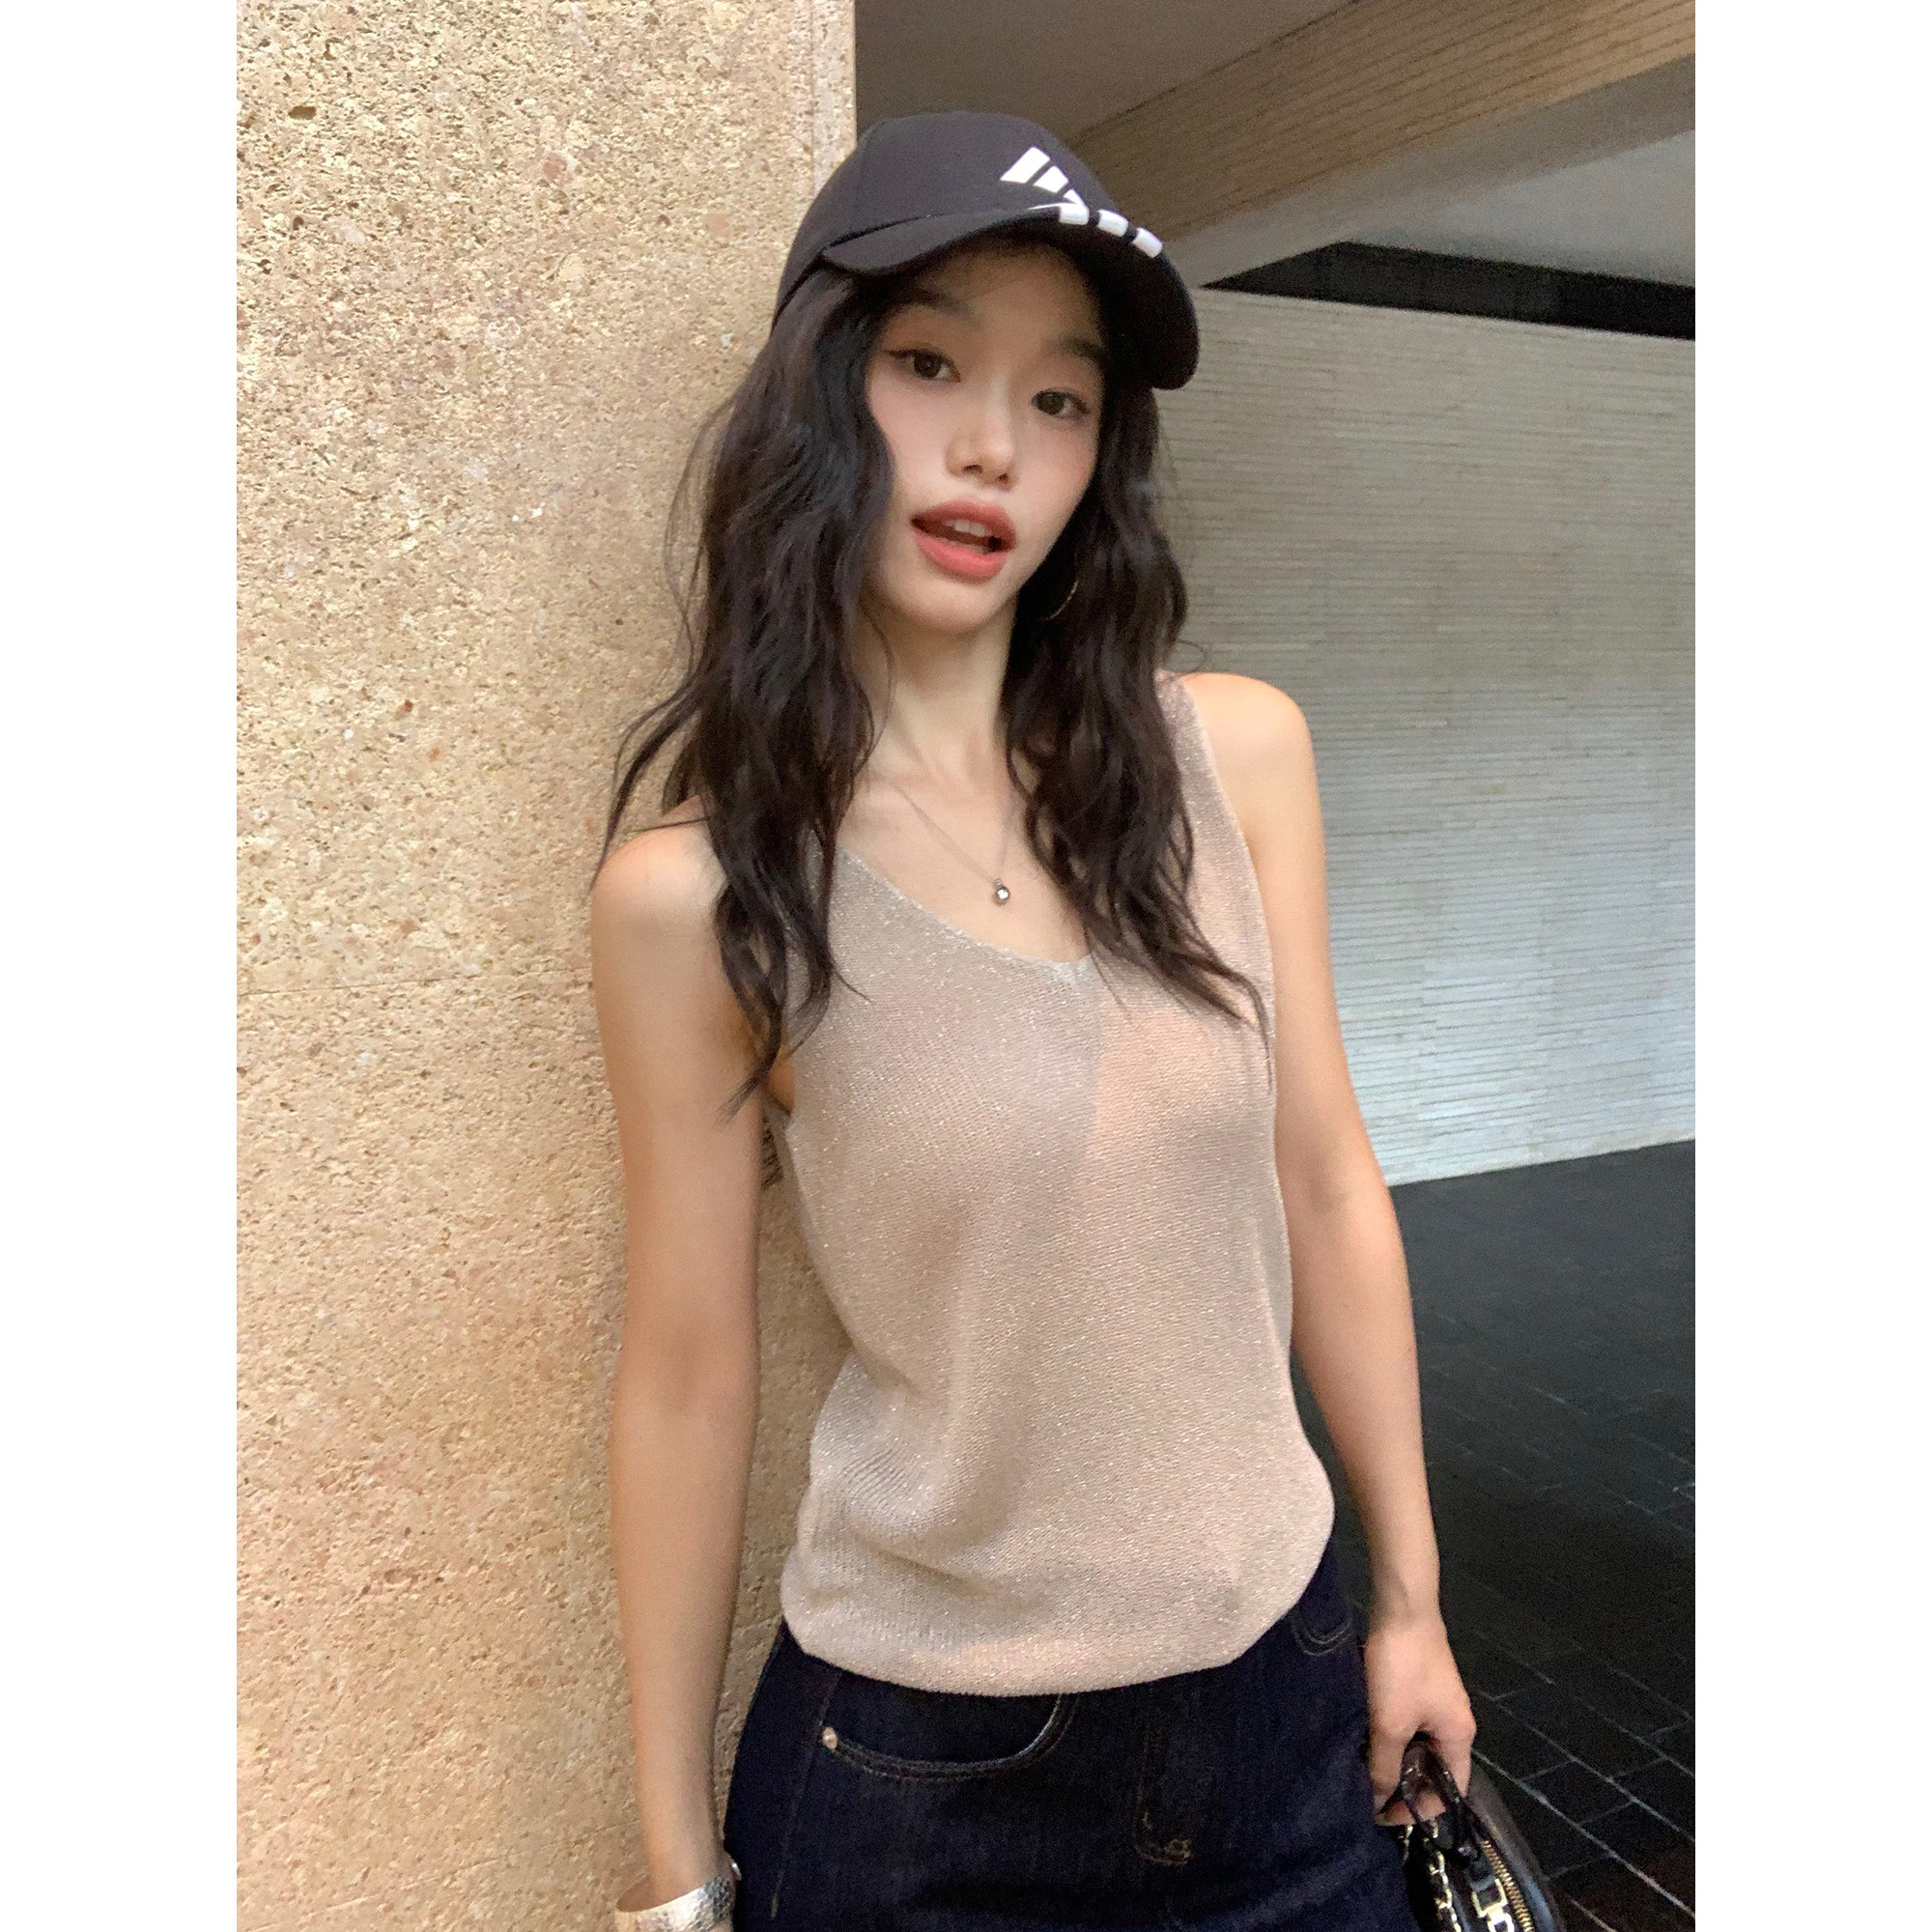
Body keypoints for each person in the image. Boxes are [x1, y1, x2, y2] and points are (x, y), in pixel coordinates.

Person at [590, 110, 1475, 1932]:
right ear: (817, 394)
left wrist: (1412, 1601)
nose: (994, 444)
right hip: (916, 1788)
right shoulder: (701, 897)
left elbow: (1325, 1182)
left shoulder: (1233, 761)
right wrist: (675, 1872)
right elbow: (684, 1369)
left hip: (1286, 1717)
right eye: (929, 365)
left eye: (1059, 399)